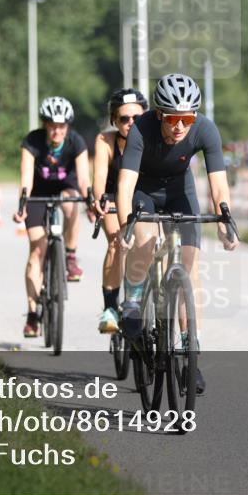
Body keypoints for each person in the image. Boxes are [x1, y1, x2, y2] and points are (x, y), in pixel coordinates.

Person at [116, 73, 238, 394]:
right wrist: (124, 222)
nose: (180, 126)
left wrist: (226, 221)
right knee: (145, 242)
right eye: (173, 118)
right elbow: (125, 183)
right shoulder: (141, 128)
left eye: (187, 118)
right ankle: (133, 301)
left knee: (190, 268)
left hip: (180, 191)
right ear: (160, 115)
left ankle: (189, 349)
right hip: (144, 191)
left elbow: (218, 184)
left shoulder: (205, 129)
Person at [13, 96, 94, 339]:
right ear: (44, 124)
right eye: (51, 124)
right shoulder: (33, 141)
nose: (56, 130)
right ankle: (31, 313)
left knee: (71, 206)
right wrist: (22, 203)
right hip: (37, 192)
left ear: (67, 126)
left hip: (65, 188)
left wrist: (89, 200)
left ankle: (69, 255)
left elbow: (82, 178)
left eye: (61, 125)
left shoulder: (75, 141)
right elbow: (26, 175)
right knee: (37, 251)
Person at [92, 88, 148, 334]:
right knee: (117, 241)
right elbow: (100, 178)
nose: (130, 123)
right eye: (124, 118)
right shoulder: (106, 141)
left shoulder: (152, 139)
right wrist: (99, 198)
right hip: (114, 199)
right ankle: (110, 308)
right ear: (114, 120)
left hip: (143, 199)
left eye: (136, 117)